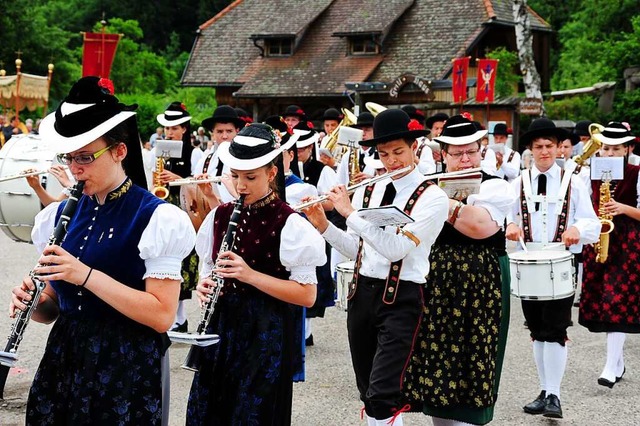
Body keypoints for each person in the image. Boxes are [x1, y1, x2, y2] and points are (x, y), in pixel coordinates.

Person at [9, 76, 195, 425]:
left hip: (126, 367)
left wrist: (85, 275)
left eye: (85, 157)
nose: (74, 169)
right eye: (69, 157)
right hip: (65, 360)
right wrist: (33, 301)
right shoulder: (58, 216)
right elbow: (51, 309)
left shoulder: (157, 218)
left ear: (119, 151)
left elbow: (161, 316)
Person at [303, 108, 449, 426]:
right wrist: (324, 225)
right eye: (384, 154)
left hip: (403, 296)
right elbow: (359, 250)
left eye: (398, 151)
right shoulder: (372, 189)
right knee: (368, 390)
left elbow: (396, 250)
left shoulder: (433, 197)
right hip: (363, 293)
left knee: (384, 392)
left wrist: (348, 211)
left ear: (415, 148)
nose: (391, 161)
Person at [186, 123, 326, 425]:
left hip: (265, 334)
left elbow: (306, 294)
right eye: (235, 176)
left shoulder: (290, 223)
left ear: (271, 174)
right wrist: (203, 286)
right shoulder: (220, 215)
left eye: (251, 177)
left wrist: (249, 275)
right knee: (210, 412)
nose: (241, 186)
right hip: (221, 329)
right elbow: (206, 269)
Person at [403, 115, 516, 426]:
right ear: (443, 154)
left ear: (482, 151)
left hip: (482, 284)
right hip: (436, 281)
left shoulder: (496, 187)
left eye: (471, 151)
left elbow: (479, 227)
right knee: (438, 364)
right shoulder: (428, 183)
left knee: (474, 363)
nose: (466, 159)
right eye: (457, 153)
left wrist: (439, 201)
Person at [505, 117, 600, 419]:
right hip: (528, 262)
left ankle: (555, 396)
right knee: (537, 330)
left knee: (556, 330)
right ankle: (544, 390)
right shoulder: (517, 183)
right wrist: (509, 225)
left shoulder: (574, 182)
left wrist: (576, 228)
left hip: (560, 262)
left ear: (559, 148)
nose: (544, 152)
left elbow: (592, 223)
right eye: (538, 147)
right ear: (530, 150)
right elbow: (505, 218)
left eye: (550, 146)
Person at [579, 122, 640, 388]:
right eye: (605, 148)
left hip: (627, 240)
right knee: (600, 301)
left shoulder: (638, 173)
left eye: (616, 148)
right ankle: (617, 362)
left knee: (618, 301)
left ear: (628, 149)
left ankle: (609, 365)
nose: (610, 153)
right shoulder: (588, 172)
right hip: (598, 238)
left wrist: (623, 208)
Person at [156, 101, 197, 332]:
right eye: (167, 129)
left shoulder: (195, 152)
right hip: (164, 205)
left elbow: (198, 183)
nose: (169, 132)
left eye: (174, 128)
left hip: (184, 208)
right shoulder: (161, 150)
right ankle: (171, 314)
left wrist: (176, 178)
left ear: (184, 129)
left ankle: (180, 318)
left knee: (182, 260)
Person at [195, 105, 246, 205]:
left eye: (229, 131)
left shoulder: (245, 160)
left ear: (237, 131)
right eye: (219, 131)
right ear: (212, 133)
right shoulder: (205, 160)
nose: (224, 136)